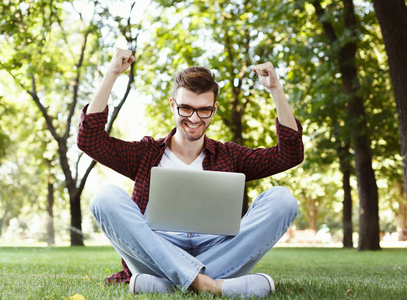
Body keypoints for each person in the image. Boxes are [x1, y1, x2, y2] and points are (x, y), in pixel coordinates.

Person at [77, 48, 304, 298]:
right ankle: (211, 285)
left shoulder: (230, 156)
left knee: (283, 199)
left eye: (203, 110)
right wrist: (112, 73)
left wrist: (275, 89)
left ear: (214, 109)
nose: (194, 118)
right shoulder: (146, 153)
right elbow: (90, 140)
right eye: (186, 108)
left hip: (217, 251)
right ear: (173, 105)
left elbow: (289, 155)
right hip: (157, 250)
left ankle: (165, 284)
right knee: (104, 197)